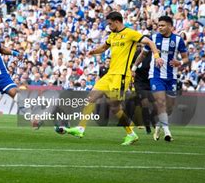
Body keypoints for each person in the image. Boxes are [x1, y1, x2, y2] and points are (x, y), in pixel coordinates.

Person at [60, 12, 163, 145]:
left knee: (114, 107)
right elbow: (104, 47)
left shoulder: (130, 33)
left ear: (117, 22)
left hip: (121, 76)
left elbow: (149, 42)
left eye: (110, 23)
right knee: (91, 97)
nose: (108, 26)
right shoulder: (112, 35)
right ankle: (80, 128)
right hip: (109, 75)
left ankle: (131, 134)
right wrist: (93, 51)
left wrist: (156, 56)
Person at [132, 16, 188, 142]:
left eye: (162, 25)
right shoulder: (153, 38)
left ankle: (159, 124)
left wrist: (179, 62)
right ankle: (167, 132)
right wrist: (134, 68)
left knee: (169, 108)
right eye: (159, 25)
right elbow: (143, 54)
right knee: (161, 102)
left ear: (170, 26)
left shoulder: (178, 40)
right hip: (156, 76)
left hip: (171, 77)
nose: (160, 27)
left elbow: (185, 58)